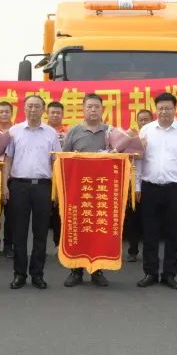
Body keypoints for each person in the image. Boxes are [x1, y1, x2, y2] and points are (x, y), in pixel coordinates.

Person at [135, 92, 177, 290]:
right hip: (149, 187)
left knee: (172, 233)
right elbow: (139, 160)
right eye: (160, 108)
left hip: (175, 188)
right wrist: (137, 186)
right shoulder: (146, 130)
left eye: (168, 108)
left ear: (175, 109)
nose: (164, 112)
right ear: (156, 110)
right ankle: (150, 273)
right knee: (150, 232)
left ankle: (169, 274)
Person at [3, 95, 61, 289]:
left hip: (43, 186)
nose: (33, 110)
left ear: (43, 109)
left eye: (37, 106)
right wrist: (4, 185)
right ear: (24, 108)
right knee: (19, 232)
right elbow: (8, 160)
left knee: (41, 232)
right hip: (18, 185)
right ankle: (19, 274)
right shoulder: (14, 131)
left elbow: (56, 162)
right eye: (30, 106)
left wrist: (57, 189)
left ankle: (37, 274)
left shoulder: (51, 133)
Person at [61, 93, 113, 287]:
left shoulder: (110, 131)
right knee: (78, 229)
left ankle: (97, 270)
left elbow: (118, 156)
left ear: (102, 109)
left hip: (102, 190)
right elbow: (63, 158)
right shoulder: (74, 131)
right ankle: (76, 270)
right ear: (83, 109)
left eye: (96, 107)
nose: (93, 110)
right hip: (78, 190)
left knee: (99, 230)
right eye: (89, 106)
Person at [123, 108, 154, 260]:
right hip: (134, 182)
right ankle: (132, 251)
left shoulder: (156, 137)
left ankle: (150, 253)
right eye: (140, 120)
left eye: (146, 119)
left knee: (150, 220)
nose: (143, 122)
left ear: (152, 120)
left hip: (151, 183)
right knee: (133, 219)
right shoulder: (131, 137)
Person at [0, 101, 15, 257]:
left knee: (12, 215)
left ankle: (8, 245)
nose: (4, 114)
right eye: (1, 111)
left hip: (13, 178)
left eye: (7, 111)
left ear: (12, 113)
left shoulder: (16, 132)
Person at [46, 100, 67, 247]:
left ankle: (59, 243)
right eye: (52, 112)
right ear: (47, 114)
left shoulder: (68, 132)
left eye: (58, 113)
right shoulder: (42, 130)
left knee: (60, 210)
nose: (55, 115)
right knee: (44, 211)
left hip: (62, 176)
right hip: (45, 176)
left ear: (63, 115)